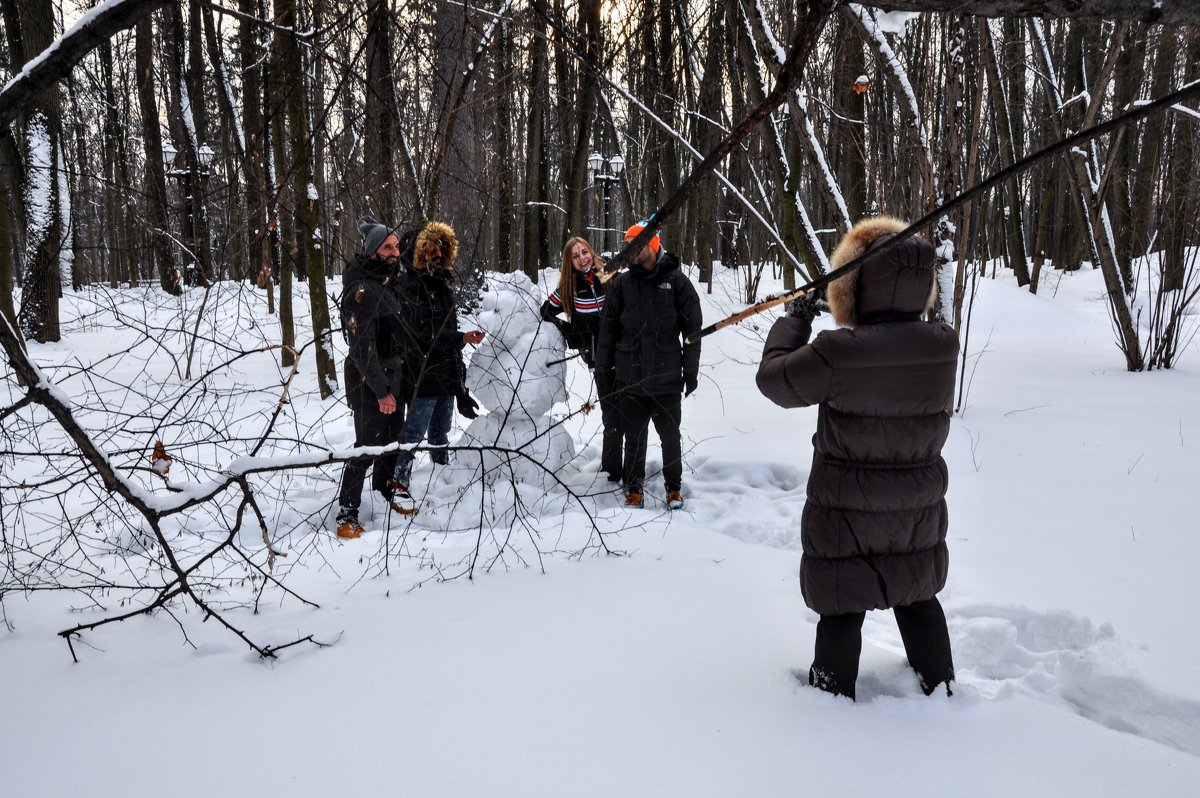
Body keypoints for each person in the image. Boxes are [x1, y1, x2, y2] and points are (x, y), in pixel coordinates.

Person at [755, 216, 958, 701]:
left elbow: (775, 382)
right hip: (916, 502)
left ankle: (830, 701)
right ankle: (943, 689)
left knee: (843, 602)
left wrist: (796, 318)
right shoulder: (943, 344)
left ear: (853, 287)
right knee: (918, 596)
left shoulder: (837, 351)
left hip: (847, 505)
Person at [596, 221, 702, 510]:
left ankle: (674, 488)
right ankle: (633, 488)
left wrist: (690, 372)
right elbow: (607, 332)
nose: (632, 250)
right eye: (628, 244)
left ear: (653, 245)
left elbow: (693, 329)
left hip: (667, 376)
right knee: (634, 437)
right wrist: (603, 370)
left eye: (637, 243)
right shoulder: (622, 284)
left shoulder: (677, 281)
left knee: (670, 436)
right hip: (630, 377)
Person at [391, 220, 484, 510]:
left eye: (442, 247)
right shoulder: (410, 286)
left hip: (445, 370)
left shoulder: (442, 283)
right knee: (414, 431)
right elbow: (421, 334)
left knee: (441, 429)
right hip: (422, 372)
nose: (438, 253)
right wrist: (460, 338)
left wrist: (459, 374)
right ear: (420, 251)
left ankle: (442, 473)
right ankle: (398, 481)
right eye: (432, 248)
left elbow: (445, 326)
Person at [334, 218, 409, 539]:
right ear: (373, 252)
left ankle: (383, 490)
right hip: (369, 383)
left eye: (395, 246)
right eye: (387, 247)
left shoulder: (388, 282)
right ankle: (347, 512)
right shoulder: (362, 291)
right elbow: (362, 350)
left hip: (395, 377)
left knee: (392, 442)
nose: (395, 251)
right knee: (366, 448)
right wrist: (381, 392)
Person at [540, 235, 623, 481]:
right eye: (575, 256)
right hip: (600, 360)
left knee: (630, 414)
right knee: (611, 416)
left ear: (591, 251)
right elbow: (545, 312)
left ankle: (634, 470)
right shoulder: (569, 287)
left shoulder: (610, 276)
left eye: (584, 252)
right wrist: (576, 338)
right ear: (570, 263)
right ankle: (612, 471)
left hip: (625, 355)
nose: (582, 258)